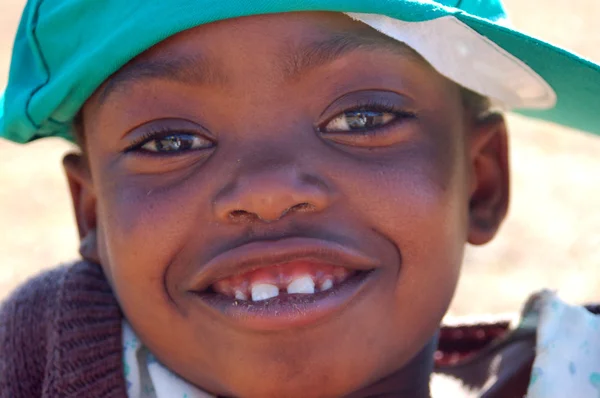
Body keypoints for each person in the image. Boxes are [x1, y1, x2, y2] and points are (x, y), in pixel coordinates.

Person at [1, 1, 599, 397]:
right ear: (92, 211)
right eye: (171, 141)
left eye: (362, 117)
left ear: (481, 181)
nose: (268, 191)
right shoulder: (32, 367)